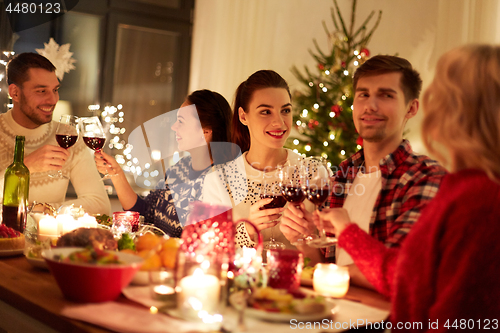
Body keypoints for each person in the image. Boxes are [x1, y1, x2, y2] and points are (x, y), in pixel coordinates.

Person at [317, 44, 500, 331]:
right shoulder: (343, 173)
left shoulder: (471, 195)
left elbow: (449, 312)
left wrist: (346, 233)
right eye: (363, 94)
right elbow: (409, 275)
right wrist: (308, 237)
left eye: (444, 93)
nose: (434, 102)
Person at [280, 55, 447, 285]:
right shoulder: (342, 175)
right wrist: (303, 240)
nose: (370, 105)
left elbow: (401, 275)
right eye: (363, 94)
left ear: (411, 108)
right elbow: (327, 266)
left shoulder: (425, 178)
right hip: (333, 316)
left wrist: (343, 243)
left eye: (386, 95)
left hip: (386, 321)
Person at [201, 70, 317, 254]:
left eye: (285, 110)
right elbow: (207, 253)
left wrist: (303, 239)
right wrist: (246, 231)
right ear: (243, 116)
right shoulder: (217, 180)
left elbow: (328, 260)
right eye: (265, 112)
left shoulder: (313, 174)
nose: (279, 122)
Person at [95, 89, 233, 237]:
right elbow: (146, 212)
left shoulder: (220, 181)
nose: (174, 127)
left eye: (181, 121)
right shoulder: (180, 169)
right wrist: (116, 174)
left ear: (205, 132)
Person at [0, 53, 110, 215]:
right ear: (15, 93)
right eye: (42, 91)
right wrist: (25, 167)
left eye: (55, 90)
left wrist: (42, 210)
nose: (53, 100)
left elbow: (100, 205)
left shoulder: (69, 136)